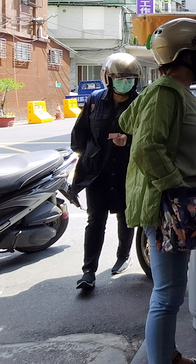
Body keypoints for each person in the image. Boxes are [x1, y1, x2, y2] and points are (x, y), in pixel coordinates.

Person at [120, 18, 196, 364]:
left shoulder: (176, 93)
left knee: (172, 290)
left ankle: (168, 355)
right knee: (167, 294)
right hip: (166, 207)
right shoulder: (164, 92)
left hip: (173, 205)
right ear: (185, 56)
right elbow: (146, 149)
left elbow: (133, 126)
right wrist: (177, 190)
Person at [71, 53, 141, 291]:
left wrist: (128, 140)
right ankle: (88, 271)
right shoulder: (94, 101)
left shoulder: (140, 103)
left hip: (126, 170)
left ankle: (123, 256)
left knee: (126, 216)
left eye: (130, 79)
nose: (125, 83)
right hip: (98, 172)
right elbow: (79, 136)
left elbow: (146, 136)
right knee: (95, 219)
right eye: (121, 78)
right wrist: (90, 156)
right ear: (109, 79)